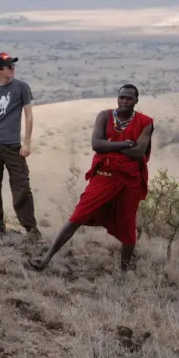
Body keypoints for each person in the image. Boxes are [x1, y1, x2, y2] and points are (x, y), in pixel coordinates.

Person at [30, 84, 153, 272]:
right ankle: (45, 259)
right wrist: (124, 144)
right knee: (78, 215)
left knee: (128, 225)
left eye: (129, 98)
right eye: (121, 97)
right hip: (104, 176)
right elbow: (96, 144)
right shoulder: (105, 116)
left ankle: (124, 274)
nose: (124, 101)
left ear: (136, 100)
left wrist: (110, 146)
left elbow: (138, 152)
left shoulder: (145, 122)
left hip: (129, 180)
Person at [0, 52, 40, 238]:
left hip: (14, 146)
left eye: (13, 65)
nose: (13, 69)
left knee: (22, 186)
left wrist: (26, 142)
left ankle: (31, 230)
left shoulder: (21, 87)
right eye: (9, 66)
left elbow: (28, 115)